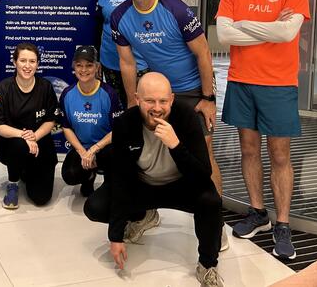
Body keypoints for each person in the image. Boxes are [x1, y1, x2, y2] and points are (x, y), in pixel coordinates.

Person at [110, 0, 224, 248]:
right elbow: (126, 63)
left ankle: (215, 222)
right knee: (147, 152)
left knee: (204, 154)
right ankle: (147, 213)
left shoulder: (176, 10)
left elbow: (204, 54)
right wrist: (132, 104)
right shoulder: (120, 16)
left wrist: (208, 98)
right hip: (156, 92)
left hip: (191, 90)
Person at [216, 0, 310, 260]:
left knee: (280, 155)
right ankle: (258, 213)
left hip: (280, 84)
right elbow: (225, 35)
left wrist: (244, 24)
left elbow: (287, 34)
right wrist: (269, 26)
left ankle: (282, 224)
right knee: (248, 150)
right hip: (241, 81)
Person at [83, 72, 224, 287]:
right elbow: (120, 180)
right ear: (137, 99)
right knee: (96, 206)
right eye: (149, 101)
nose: (157, 108)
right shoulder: (125, 124)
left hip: (180, 185)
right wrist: (116, 236)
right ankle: (142, 217)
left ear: (172, 99)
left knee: (211, 201)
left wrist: (176, 145)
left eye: (163, 101)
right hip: (142, 186)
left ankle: (207, 265)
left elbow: (202, 175)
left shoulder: (186, 118)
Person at [0, 43, 58, 209]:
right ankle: (13, 183)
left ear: (37, 64)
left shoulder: (46, 87)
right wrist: (24, 136)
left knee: (41, 198)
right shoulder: (4, 88)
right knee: (19, 145)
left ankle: (26, 170)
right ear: (14, 62)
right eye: (23, 60)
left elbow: (50, 121)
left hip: (39, 141)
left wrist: (34, 136)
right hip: (11, 143)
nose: (27, 66)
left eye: (32, 61)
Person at [58, 45, 123, 197]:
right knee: (70, 174)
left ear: (97, 67)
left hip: (105, 148)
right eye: (79, 65)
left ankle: (109, 183)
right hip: (82, 147)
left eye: (89, 65)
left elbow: (118, 129)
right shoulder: (67, 94)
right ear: (74, 67)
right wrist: (83, 152)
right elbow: (66, 127)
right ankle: (89, 176)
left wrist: (94, 149)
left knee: (115, 158)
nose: (84, 70)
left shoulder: (108, 94)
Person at [95, 0, 146, 106]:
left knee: (138, 107)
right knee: (116, 109)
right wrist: (96, 58)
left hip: (139, 60)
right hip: (110, 60)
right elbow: (98, 25)